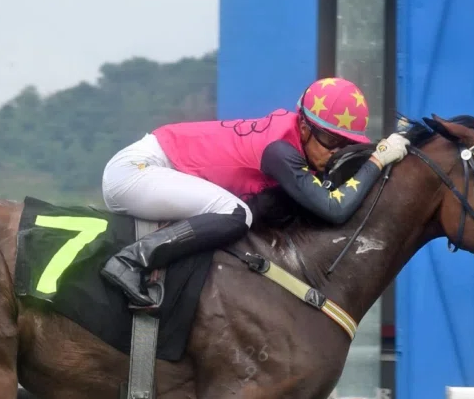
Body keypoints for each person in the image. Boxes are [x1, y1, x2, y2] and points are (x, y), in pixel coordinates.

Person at [99, 77, 410, 307]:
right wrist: (377, 160)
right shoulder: (280, 152)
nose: (335, 152)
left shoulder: (295, 142)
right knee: (236, 214)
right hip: (137, 171)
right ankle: (130, 261)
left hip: (153, 168)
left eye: (346, 145)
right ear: (303, 126)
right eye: (330, 140)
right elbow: (334, 207)